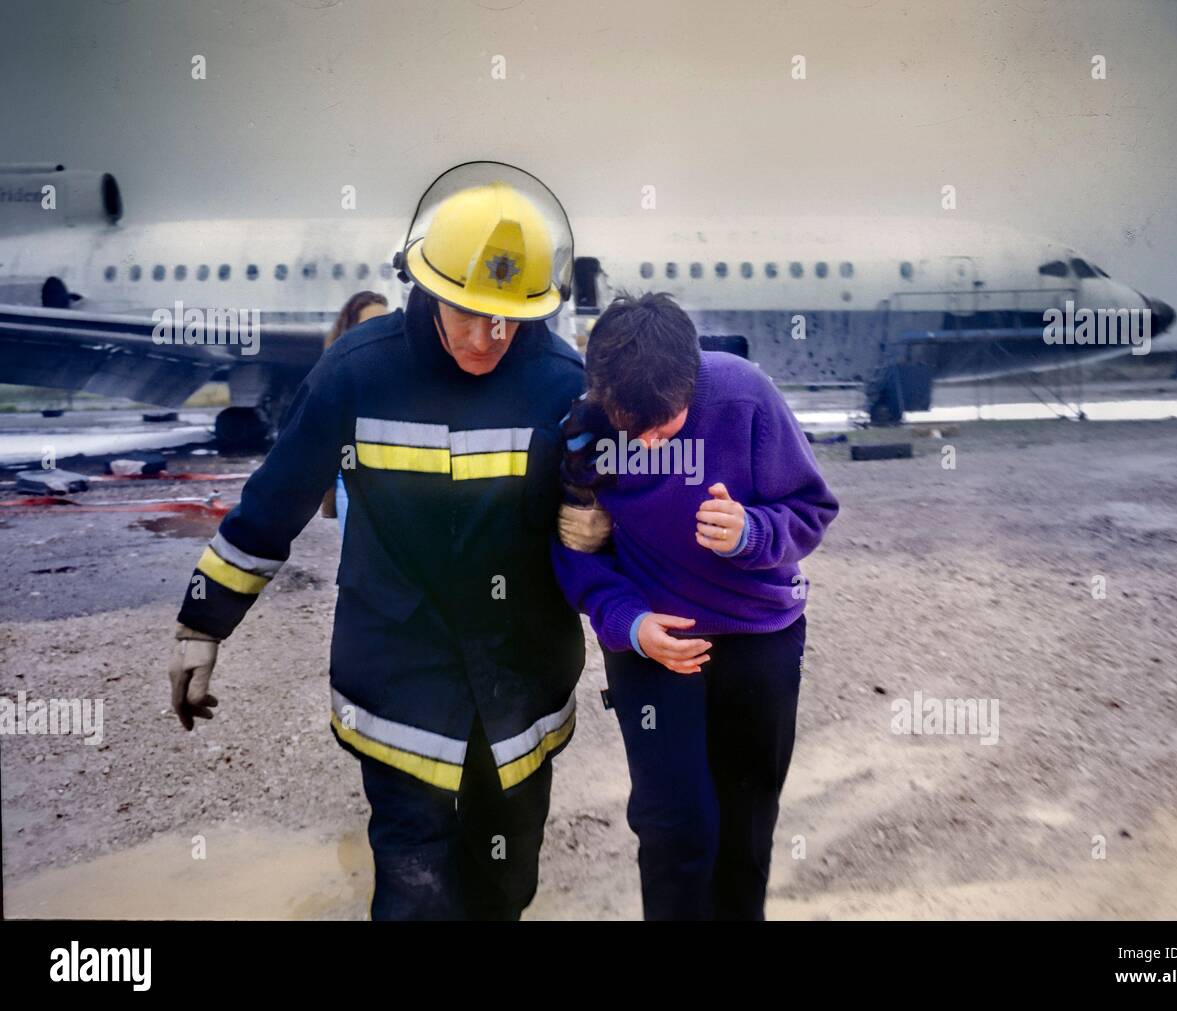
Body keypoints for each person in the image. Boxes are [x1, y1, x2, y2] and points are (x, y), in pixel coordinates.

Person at [167, 163, 586, 920]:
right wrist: (203, 622)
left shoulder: (563, 382)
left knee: (505, 883)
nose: (488, 336)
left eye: (508, 317)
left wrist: (604, 534)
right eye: (467, 312)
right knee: (414, 893)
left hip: (519, 688)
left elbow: (616, 509)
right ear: (426, 287)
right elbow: (275, 501)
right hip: (399, 681)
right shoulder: (357, 373)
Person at [553, 291, 839, 920]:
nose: (650, 443)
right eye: (635, 426)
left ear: (693, 378)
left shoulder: (744, 394)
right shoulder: (583, 435)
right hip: (653, 649)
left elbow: (813, 511)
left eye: (668, 424)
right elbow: (578, 552)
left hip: (759, 638)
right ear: (603, 393)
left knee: (746, 825)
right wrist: (628, 622)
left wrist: (751, 534)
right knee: (672, 828)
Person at [320, 291, 389, 534]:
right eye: (370, 325)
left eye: (385, 323)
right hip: (350, 481)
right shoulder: (337, 373)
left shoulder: (398, 369)